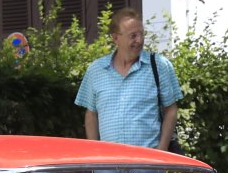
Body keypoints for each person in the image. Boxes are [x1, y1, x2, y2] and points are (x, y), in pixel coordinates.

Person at [75, 8, 180, 151]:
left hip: (148, 159)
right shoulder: (96, 70)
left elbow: (171, 109)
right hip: (109, 160)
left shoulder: (159, 66)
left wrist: (162, 148)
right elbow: (91, 114)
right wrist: (95, 152)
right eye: (133, 35)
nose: (139, 40)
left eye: (141, 34)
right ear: (116, 38)